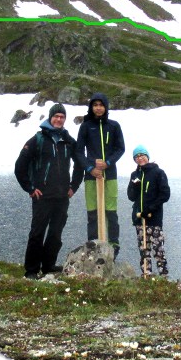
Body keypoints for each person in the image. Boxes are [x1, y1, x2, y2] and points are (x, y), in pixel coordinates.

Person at [14, 103, 86, 279]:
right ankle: (31, 270)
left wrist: (73, 186)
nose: (59, 119)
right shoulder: (38, 139)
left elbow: (80, 164)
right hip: (42, 196)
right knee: (37, 233)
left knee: (56, 233)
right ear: (50, 117)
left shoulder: (68, 140)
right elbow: (20, 166)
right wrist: (30, 188)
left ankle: (48, 266)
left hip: (62, 196)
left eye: (62, 117)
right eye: (56, 116)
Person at [75, 92, 125, 256]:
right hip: (91, 176)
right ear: (91, 107)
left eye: (101, 105)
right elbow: (78, 152)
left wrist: (108, 163)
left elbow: (120, 148)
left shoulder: (114, 126)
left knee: (111, 211)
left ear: (105, 107)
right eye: (95, 105)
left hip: (110, 175)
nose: (98, 108)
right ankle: (93, 245)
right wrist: (90, 168)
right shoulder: (86, 126)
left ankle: (113, 245)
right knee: (93, 212)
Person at [126, 145, 171, 278]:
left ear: (147, 156)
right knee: (144, 250)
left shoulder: (158, 173)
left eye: (142, 155)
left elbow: (165, 194)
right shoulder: (135, 175)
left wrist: (150, 208)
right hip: (139, 220)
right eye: (137, 157)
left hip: (154, 219)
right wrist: (135, 187)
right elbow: (131, 197)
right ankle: (146, 275)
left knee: (158, 250)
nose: (140, 158)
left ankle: (164, 277)